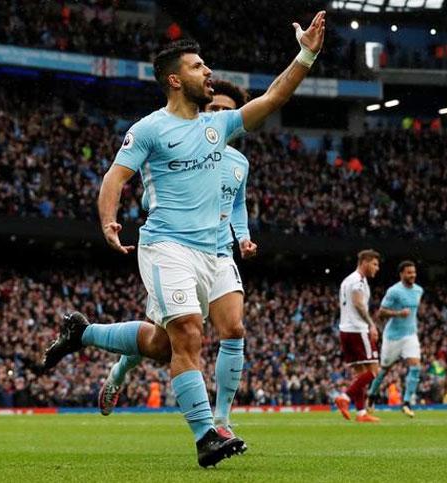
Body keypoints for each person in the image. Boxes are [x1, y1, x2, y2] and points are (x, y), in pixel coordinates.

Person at [42, 11, 326, 468]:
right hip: (166, 246)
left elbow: (274, 97)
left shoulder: (220, 127)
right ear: (174, 80)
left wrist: (307, 52)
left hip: (214, 251)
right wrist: (109, 220)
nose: (207, 72)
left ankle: (84, 332)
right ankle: (206, 437)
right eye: (198, 67)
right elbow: (114, 179)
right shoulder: (150, 128)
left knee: (165, 345)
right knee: (188, 336)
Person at [98, 80, 256, 444]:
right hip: (176, 251)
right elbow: (149, 195)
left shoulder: (238, 163)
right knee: (162, 342)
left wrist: (242, 235)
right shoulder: (182, 143)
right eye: (212, 108)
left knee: (233, 328)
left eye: (224, 110)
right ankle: (122, 366)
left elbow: (237, 205)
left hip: (219, 252)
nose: (216, 114)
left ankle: (222, 420)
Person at [367, 261, 424, 418]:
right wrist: (398, 314)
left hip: (410, 334)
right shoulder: (394, 291)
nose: (412, 275)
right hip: (393, 336)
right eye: (409, 273)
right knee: (384, 369)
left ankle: (406, 403)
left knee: (416, 367)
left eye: (414, 272)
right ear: (401, 274)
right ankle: (371, 395)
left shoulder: (419, 290)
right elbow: (381, 313)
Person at [334, 249, 381, 423]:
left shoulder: (347, 280)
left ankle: (361, 413)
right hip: (358, 329)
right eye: (375, 264)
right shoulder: (358, 281)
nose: (377, 268)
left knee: (360, 373)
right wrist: (371, 324)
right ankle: (344, 397)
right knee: (375, 371)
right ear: (365, 262)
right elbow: (358, 304)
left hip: (345, 330)